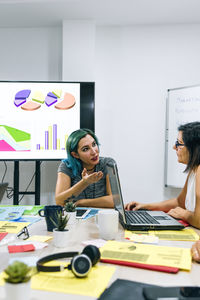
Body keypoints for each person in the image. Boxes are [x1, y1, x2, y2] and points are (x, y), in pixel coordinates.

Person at [125, 121, 200, 229]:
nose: (174, 147)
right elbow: (179, 202)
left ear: (194, 148)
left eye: (179, 143)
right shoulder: (193, 170)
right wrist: (145, 206)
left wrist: (184, 214)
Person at [55, 128, 115, 208]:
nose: (94, 152)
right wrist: (84, 183)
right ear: (75, 155)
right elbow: (59, 202)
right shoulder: (67, 166)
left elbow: (114, 201)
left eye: (94, 144)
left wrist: (81, 202)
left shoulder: (107, 164)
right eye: (85, 149)